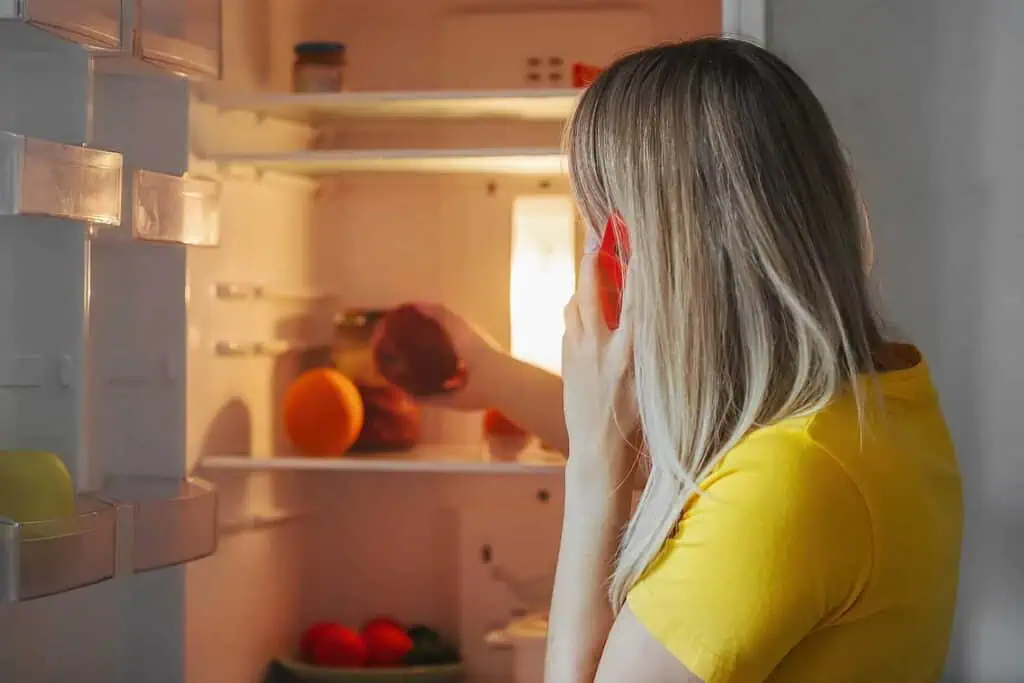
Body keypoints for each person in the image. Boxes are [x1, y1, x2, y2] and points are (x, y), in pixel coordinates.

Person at [421, 38, 962, 683]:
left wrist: (591, 469)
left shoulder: (790, 486)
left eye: (599, 234)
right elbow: (676, 466)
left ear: (654, 254)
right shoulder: (866, 412)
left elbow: (700, 483)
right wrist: (492, 374)